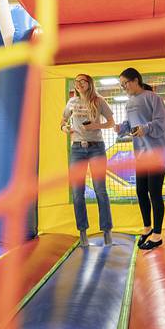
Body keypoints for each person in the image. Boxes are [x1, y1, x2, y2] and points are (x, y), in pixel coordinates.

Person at [115, 68, 165, 251]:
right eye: (122, 85)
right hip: (141, 152)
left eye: (126, 83)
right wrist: (122, 128)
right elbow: (130, 124)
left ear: (136, 80)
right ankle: (147, 227)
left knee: (154, 192)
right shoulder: (129, 103)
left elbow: (163, 121)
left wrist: (145, 128)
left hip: (157, 151)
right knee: (141, 191)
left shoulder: (152, 98)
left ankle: (157, 234)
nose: (124, 87)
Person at [60, 74, 115, 247]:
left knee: (100, 190)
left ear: (89, 83)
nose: (78, 84)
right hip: (77, 148)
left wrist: (95, 126)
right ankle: (82, 232)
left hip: (96, 147)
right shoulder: (72, 103)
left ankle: (107, 231)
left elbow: (111, 123)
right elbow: (62, 121)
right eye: (76, 82)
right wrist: (65, 128)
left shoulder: (99, 101)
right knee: (77, 193)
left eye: (82, 81)